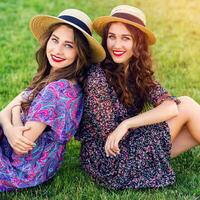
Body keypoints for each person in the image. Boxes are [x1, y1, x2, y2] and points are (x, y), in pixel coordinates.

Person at [75, 5, 200, 190]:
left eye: (126, 38)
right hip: (108, 160)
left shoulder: (136, 70)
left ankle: (152, 162)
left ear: (138, 43)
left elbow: (170, 106)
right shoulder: (97, 77)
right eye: (112, 37)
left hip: (126, 143)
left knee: (193, 127)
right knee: (188, 106)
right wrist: (128, 127)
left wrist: (127, 123)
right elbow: (110, 138)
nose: (117, 45)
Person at [0, 8, 105, 191]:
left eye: (68, 45)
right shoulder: (59, 77)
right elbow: (3, 112)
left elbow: (21, 145)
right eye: (55, 40)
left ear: (79, 52)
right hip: (41, 167)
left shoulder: (57, 90)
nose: (57, 50)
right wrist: (10, 122)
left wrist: (14, 114)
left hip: (21, 166)